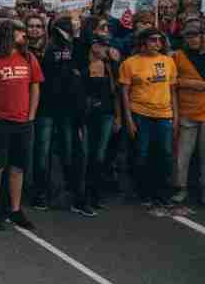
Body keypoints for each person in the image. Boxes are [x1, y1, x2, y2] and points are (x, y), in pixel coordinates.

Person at [0, 19, 43, 231]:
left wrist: (31, 116)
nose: (25, 36)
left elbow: (35, 87)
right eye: (20, 32)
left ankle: (15, 210)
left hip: (23, 122)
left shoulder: (28, 56)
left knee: (18, 168)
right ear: (8, 34)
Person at [119, 28, 178, 208]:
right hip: (140, 115)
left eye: (160, 40)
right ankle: (144, 191)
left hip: (164, 115)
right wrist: (128, 119)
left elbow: (172, 90)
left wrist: (175, 116)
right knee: (142, 154)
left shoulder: (168, 62)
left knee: (165, 154)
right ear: (143, 42)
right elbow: (124, 93)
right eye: (153, 40)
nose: (157, 43)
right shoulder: (129, 63)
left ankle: (162, 193)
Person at [32, 17, 87, 213]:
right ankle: (40, 193)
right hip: (47, 108)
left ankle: (71, 195)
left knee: (69, 153)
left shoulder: (76, 48)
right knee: (43, 154)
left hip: (68, 110)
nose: (70, 30)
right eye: (67, 27)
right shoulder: (47, 49)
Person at [80, 28, 121, 212]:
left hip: (106, 114)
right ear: (94, 45)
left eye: (107, 45)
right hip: (87, 117)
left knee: (100, 156)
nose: (106, 48)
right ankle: (83, 197)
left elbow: (115, 94)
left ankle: (95, 195)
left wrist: (118, 117)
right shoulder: (83, 66)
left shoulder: (110, 66)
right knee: (86, 156)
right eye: (102, 45)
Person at [171, 20, 205, 205]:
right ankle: (180, 188)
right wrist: (191, 83)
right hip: (186, 112)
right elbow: (171, 80)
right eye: (189, 36)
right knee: (182, 154)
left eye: (196, 35)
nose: (193, 39)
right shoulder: (178, 56)